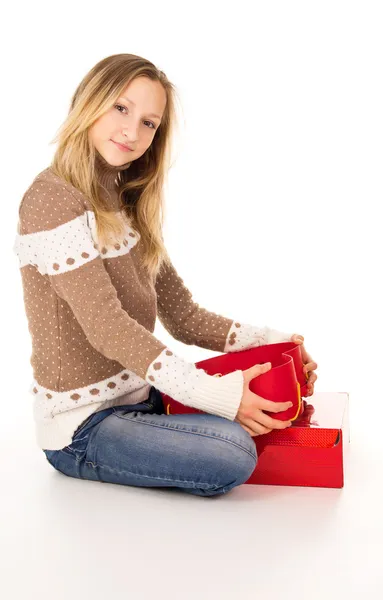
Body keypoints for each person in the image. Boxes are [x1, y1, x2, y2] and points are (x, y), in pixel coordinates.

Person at [12, 53, 310, 497]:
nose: (132, 132)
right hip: (83, 429)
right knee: (233, 453)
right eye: (121, 108)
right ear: (89, 102)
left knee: (261, 388)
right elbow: (107, 329)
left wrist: (273, 342)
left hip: (142, 397)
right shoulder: (53, 200)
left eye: (150, 123)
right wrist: (224, 399)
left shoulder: (124, 196)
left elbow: (182, 315)